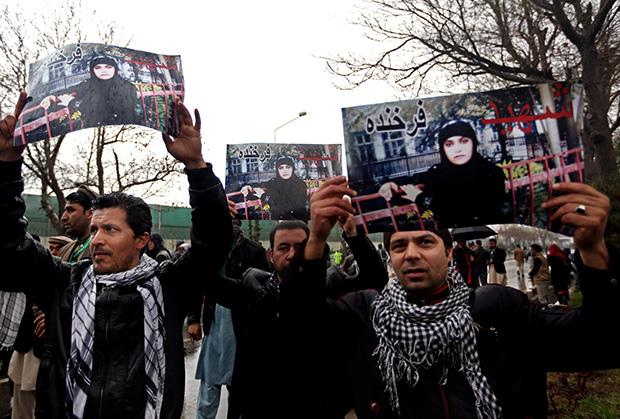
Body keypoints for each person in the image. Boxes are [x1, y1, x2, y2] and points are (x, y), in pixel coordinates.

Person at [291, 176, 619, 418]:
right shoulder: (364, 314)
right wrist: (316, 238)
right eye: (399, 246)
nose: (412, 255)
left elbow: (599, 341)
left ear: (449, 252)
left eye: (425, 242)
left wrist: (594, 253)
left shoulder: (501, 309)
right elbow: (301, 324)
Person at [0, 93, 233, 419]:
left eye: (110, 230)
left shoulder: (170, 284)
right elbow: (10, 247)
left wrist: (196, 167)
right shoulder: (65, 281)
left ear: (141, 240)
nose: (96, 239)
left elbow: (214, 241)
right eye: (94, 230)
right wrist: (8, 165)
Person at [187, 218, 269, 419]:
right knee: (209, 380)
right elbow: (197, 283)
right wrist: (193, 318)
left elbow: (262, 288)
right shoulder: (208, 249)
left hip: (242, 324)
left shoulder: (254, 251)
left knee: (239, 380)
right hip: (214, 318)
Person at [379, 120, 507, 229]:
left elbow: (462, 209)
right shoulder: (437, 173)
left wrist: (421, 198)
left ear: (473, 142)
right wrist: (390, 184)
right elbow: (412, 182)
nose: (458, 149)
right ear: (443, 148)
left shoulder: (492, 172)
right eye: (449, 144)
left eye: (464, 141)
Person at [40, 55, 139, 129]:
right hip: (93, 134)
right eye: (98, 67)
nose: (103, 70)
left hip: (122, 131)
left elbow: (108, 111)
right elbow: (71, 90)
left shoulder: (128, 88)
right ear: (92, 70)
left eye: (108, 67)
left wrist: (71, 103)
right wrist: (52, 96)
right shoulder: (88, 84)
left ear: (115, 69)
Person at [240, 156, 309, 221]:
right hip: (278, 223)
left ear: (292, 168)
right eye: (281, 168)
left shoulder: (300, 185)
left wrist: (264, 196)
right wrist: (248, 186)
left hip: (297, 222)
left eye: (288, 167)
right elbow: (261, 184)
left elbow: (285, 209)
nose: (285, 171)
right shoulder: (275, 182)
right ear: (277, 170)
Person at [56, 185, 99, 263]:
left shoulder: (101, 249)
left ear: (90, 213)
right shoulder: (64, 250)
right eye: (65, 211)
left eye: (71, 210)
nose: (63, 217)